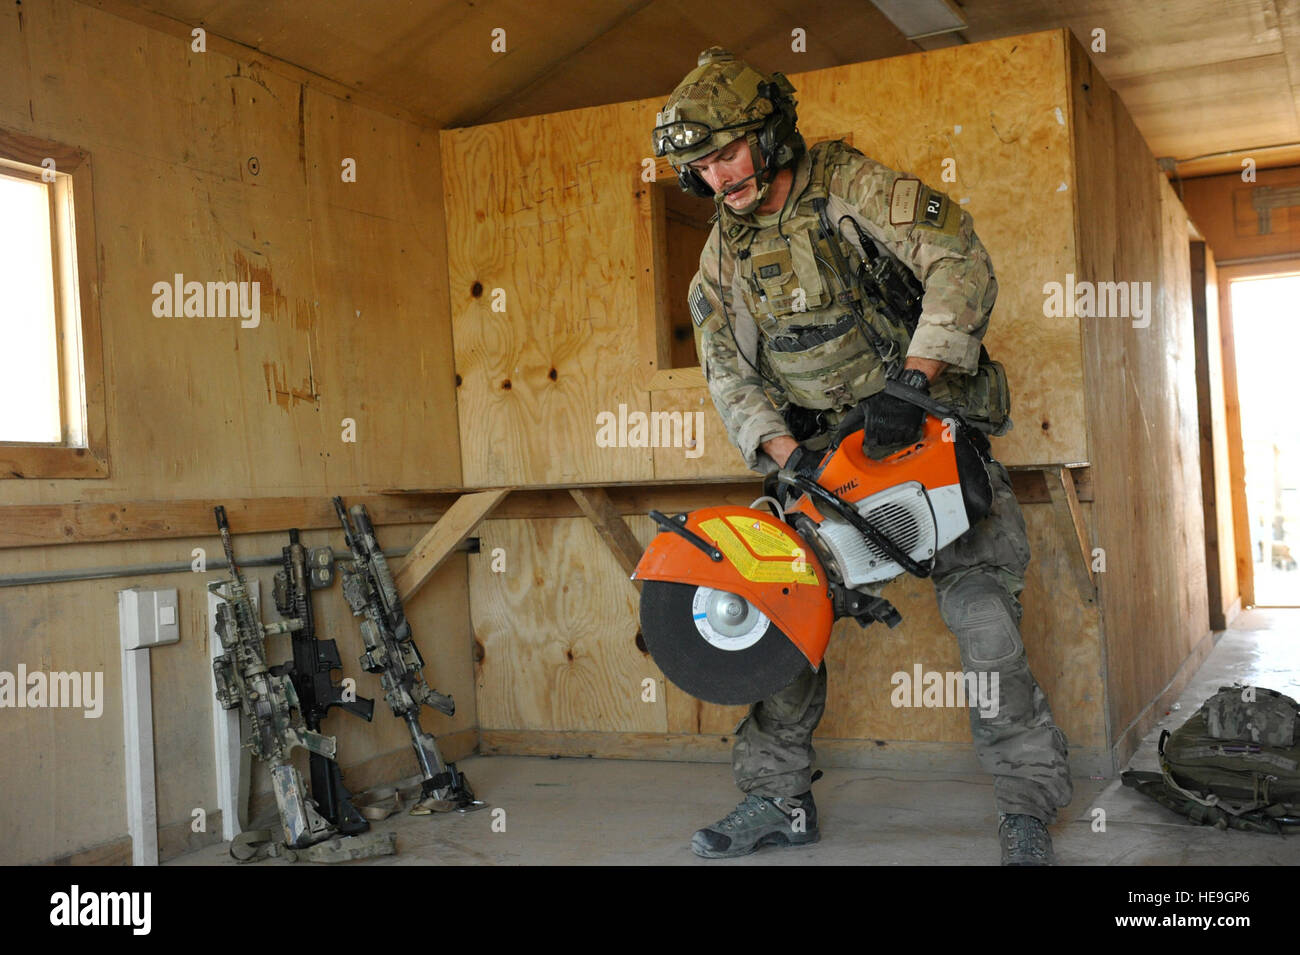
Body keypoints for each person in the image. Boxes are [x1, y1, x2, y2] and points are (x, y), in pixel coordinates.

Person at [652, 48, 1073, 865]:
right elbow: (727, 371)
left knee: (984, 620)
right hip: (819, 462)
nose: (718, 177)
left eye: (728, 152)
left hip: (924, 434)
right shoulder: (724, 253)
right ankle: (777, 800)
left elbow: (961, 262)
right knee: (772, 608)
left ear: (770, 134)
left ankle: (1026, 804)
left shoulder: (851, 187)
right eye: (699, 166)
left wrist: (911, 383)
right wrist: (786, 455)